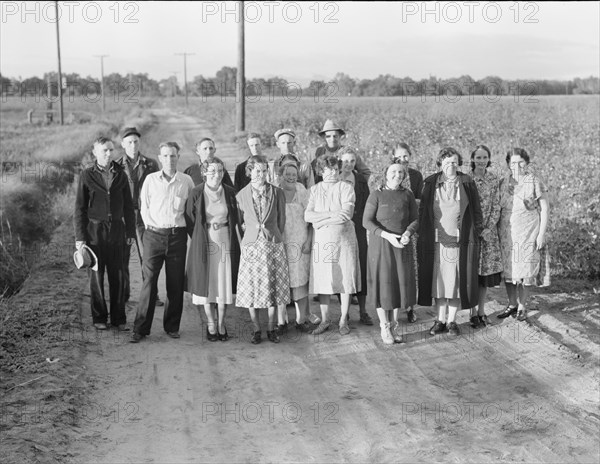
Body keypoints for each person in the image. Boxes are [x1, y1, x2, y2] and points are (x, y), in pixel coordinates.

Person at [130, 142, 195, 343]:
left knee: (175, 283)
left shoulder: (186, 181)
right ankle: (140, 329)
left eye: (173, 156)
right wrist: (152, 229)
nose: (169, 159)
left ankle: (172, 326)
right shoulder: (150, 180)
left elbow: (191, 209)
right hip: (154, 236)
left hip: (177, 237)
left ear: (178, 156)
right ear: (159, 157)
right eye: (165, 156)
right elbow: (144, 208)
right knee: (149, 282)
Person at [418, 147, 483, 337]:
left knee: (454, 283)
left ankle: (452, 321)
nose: (451, 165)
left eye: (454, 162)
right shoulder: (430, 182)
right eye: (446, 162)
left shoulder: (467, 182)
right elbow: (423, 211)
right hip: (436, 241)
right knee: (438, 283)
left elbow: (476, 211)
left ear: (459, 162)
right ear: (440, 163)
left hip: (458, 242)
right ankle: (440, 320)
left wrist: (475, 232)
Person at [74, 136, 136, 331]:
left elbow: (128, 206)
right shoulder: (86, 175)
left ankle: (118, 318)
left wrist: (131, 232)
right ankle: (99, 317)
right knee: (96, 276)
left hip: (117, 230)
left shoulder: (121, 175)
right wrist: (80, 238)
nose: (109, 154)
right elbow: (79, 209)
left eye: (111, 150)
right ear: (95, 153)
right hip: (94, 232)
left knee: (118, 275)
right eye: (104, 150)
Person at [184, 156, 240, 342]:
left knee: (223, 283)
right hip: (205, 240)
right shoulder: (197, 192)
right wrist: (200, 236)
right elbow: (190, 219)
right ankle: (210, 323)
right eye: (212, 171)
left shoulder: (230, 192)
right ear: (204, 173)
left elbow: (236, 218)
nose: (217, 174)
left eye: (220, 171)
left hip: (224, 240)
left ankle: (222, 323)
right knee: (207, 284)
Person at [236, 155, 290, 344]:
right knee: (253, 286)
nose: (261, 174)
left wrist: (273, 234)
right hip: (251, 245)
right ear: (250, 171)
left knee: (272, 286)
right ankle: (256, 328)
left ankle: (271, 327)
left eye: (264, 171)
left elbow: (282, 220)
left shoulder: (276, 193)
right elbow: (239, 221)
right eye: (257, 170)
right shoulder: (242, 195)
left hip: (272, 243)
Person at [363, 161, 418, 344]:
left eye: (401, 172)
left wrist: (408, 233)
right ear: (385, 173)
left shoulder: (407, 195)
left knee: (398, 285)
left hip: (402, 246)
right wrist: (387, 235)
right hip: (381, 246)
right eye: (393, 171)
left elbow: (415, 219)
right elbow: (367, 222)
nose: (398, 175)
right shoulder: (376, 195)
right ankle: (384, 326)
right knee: (383, 285)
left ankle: (394, 325)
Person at [305, 155, 360, 336]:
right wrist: (327, 217)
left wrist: (320, 220)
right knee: (323, 280)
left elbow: (347, 214)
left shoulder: (346, 187)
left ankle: (343, 319)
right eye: (328, 169)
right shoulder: (314, 190)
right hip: (322, 240)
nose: (332, 173)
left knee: (344, 278)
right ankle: (325, 319)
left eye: (335, 169)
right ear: (321, 171)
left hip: (344, 240)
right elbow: (308, 216)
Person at [497, 148, 550, 321]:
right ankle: (512, 303)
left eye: (520, 162)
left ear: (527, 163)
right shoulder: (502, 183)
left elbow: (545, 208)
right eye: (513, 163)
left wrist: (541, 233)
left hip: (529, 231)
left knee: (526, 268)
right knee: (510, 270)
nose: (517, 166)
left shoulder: (534, 181)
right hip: (507, 233)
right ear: (508, 164)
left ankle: (522, 305)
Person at [117, 126, 163, 307]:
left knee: (148, 256)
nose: (133, 145)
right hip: (124, 217)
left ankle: (152, 295)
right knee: (123, 257)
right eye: (129, 142)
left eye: (136, 141)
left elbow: (158, 191)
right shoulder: (116, 166)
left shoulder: (151, 164)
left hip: (146, 216)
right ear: (123, 144)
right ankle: (124, 295)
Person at [276, 159, 316, 333]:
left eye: (294, 174)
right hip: (281, 243)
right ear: (281, 175)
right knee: (280, 282)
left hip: (300, 243)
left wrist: (309, 240)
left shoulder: (302, 190)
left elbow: (312, 218)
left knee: (300, 282)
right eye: (288, 174)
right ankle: (281, 321)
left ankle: (301, 320)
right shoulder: (275, 191)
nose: (291, 177)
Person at [339, 146, 374, 326]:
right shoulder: (334, 179)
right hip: (338, 228)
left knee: (360, 265)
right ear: (340, 160)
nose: (348, 164)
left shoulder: (360, 180)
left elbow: (368, 204)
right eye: (345, 160)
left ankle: (363, 311)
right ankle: (342, 314)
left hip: (358, 227)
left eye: (352, 161)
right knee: (342, 268)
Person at [469, 145, 503, 328]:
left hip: (488, 236)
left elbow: (497, 206)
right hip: (471, 233)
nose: (481, 161)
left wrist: (489, 229)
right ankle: (472, 312)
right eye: (478, 157)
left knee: (483, 277)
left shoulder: (493, 179)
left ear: (488, 159)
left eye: (484, 157)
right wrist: (473, 229)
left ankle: (481, 311)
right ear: (473, 159)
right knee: (471, 275)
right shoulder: (466, 179)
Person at [391, 142, 423, 324]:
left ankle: (410, 307)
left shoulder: (416, 175)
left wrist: (408, 202)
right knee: (395, 267)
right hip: (393, 227)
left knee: (411, 268)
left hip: (411, 225)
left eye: (405, 156)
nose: (402, 160)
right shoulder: (389, 172)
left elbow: (420, 199)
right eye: (399, 156)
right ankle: (394, 304)